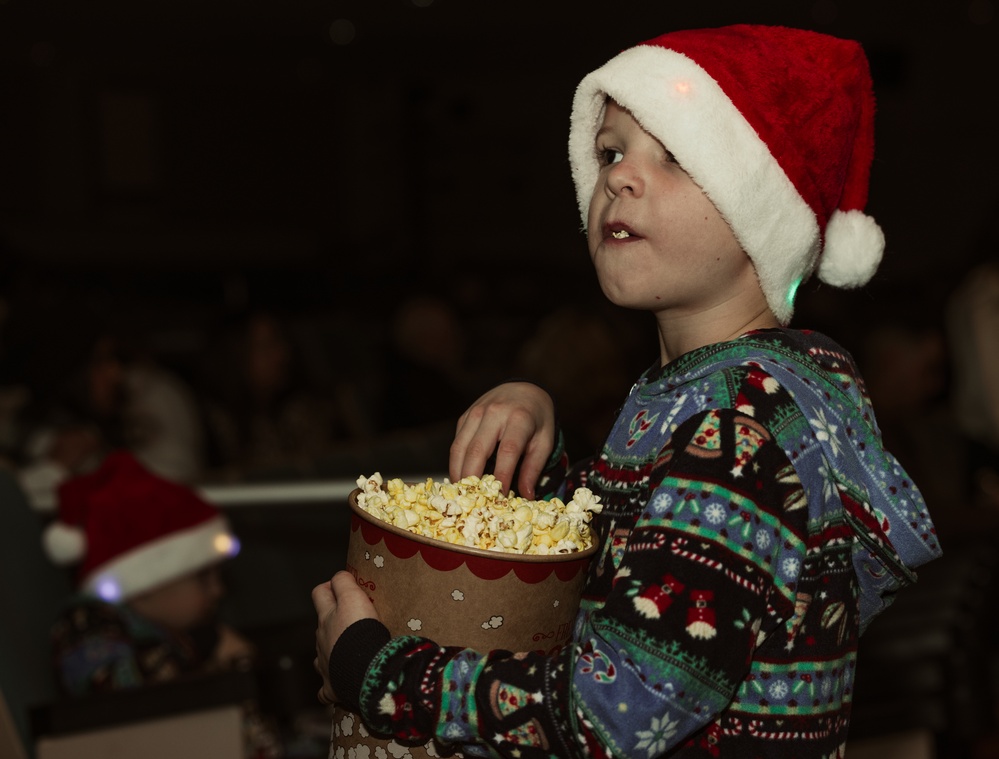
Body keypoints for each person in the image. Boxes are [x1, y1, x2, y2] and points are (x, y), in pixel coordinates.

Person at [312, 25, 942, 757]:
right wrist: (537, 444)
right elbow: (643, 565)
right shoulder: (714, 398)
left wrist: (380, 670)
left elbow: (618, 710)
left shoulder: (739, 427)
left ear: (760, 211)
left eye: (676, 156)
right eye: (610, 151)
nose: (618, 177)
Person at [43, 450, 283, 758]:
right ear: (144, 586)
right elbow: (118, 691)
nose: (219, 590)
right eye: (203, 578)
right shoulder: (86, 623)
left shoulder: (169, 629)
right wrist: (203, 645)